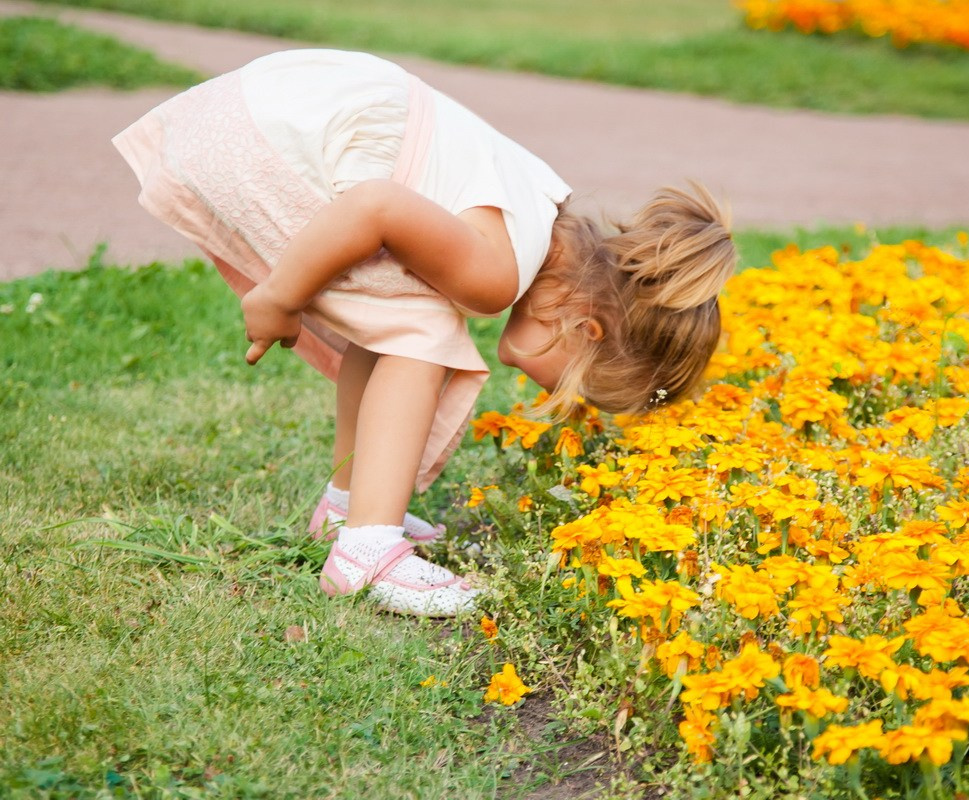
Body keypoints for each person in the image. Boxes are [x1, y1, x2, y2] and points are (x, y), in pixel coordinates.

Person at [113, 49, 736, 617]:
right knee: (424, 328)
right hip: (262, 138)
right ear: (585, 329)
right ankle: (367, 553)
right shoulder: (494, 275)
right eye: (579, 392)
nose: (553, 399)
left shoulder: (546, 211)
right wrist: (279, 296)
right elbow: (375, 206)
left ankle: (345, 508)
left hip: (263, 111)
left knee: (403, 318)